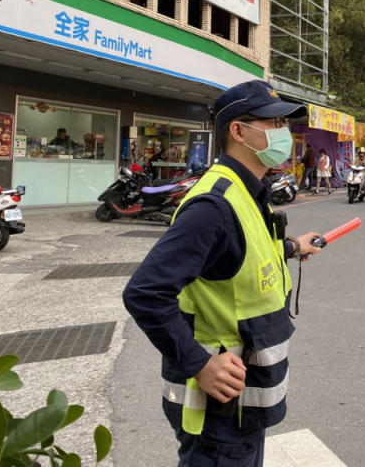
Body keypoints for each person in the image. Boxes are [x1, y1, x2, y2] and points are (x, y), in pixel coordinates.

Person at [123, 80, 322, 467]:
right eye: (274, 122)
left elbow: (239, 256)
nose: (285, 132)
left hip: (242, 404)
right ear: (238, 131)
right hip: (217, 412)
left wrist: (294, 247)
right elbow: (145, 292)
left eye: (285, 122)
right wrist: (199, 363)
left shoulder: (248, 192)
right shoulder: (214, 205)